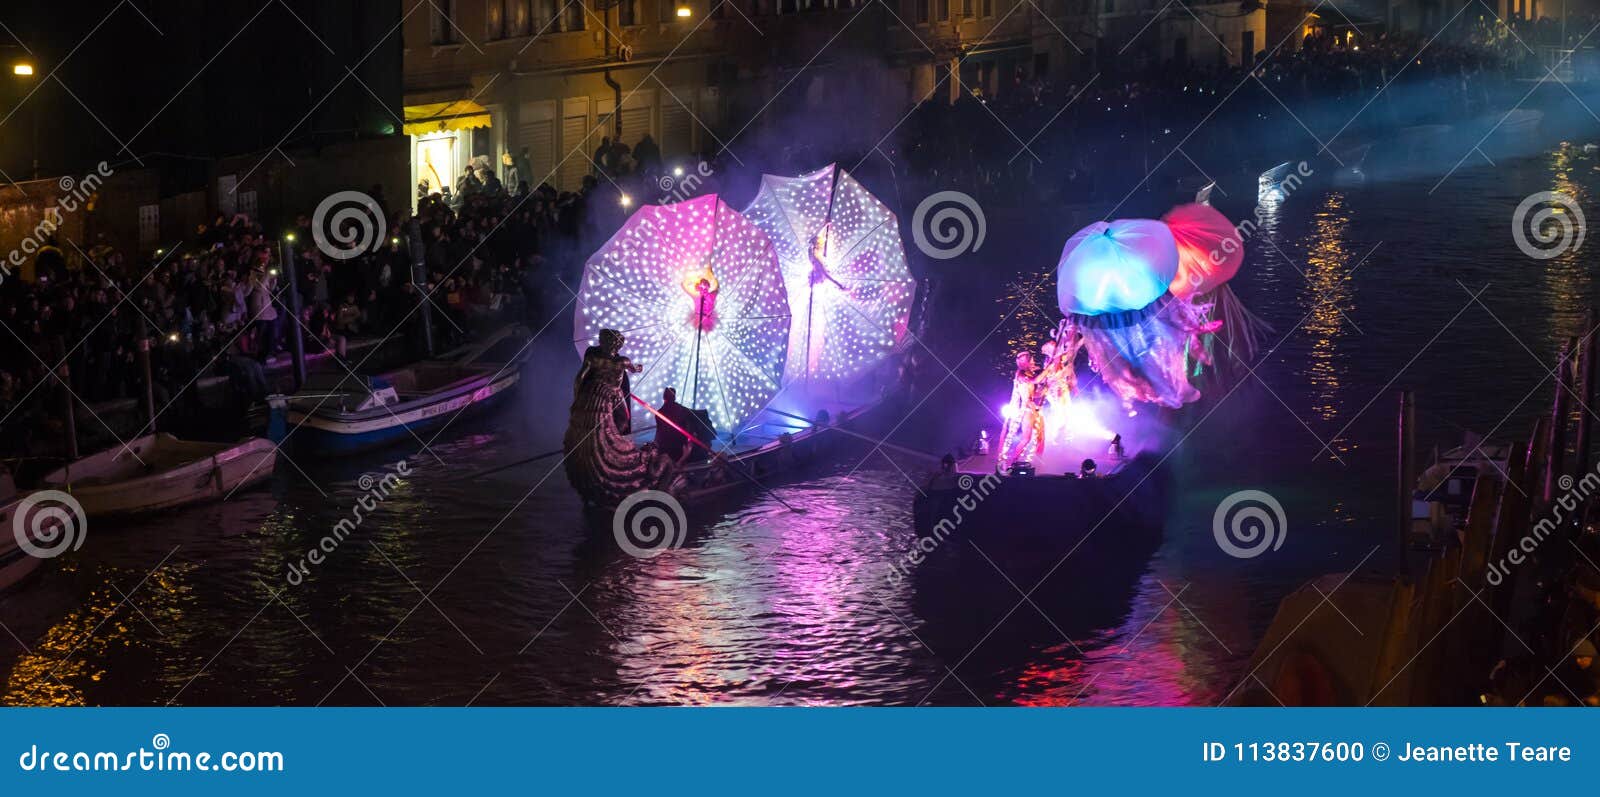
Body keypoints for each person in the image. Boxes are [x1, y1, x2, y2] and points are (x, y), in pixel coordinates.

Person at [998, 350, 1045, 472]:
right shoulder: (1021, 375)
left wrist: (1044, 390)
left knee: (1030, 438)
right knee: (1027, 438)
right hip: (1027, 410)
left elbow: (1033, 393)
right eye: (1032, 360)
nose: (1034, 362)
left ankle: (1015, 461)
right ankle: (1013, 461)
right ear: (1026, 362)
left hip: (1030, 409)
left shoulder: (1027, 375)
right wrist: (1048, 370)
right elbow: (1032, 386)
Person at [654, 386, 700, 465]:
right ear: (674, 397)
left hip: (671, 446)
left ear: (664, 398)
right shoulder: (680, 410)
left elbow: (659, 433)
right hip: (675, 446)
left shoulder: (660, 413)